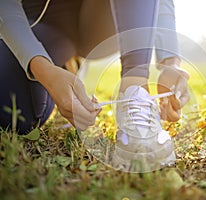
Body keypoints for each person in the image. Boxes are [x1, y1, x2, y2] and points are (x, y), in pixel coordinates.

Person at [0, 0, 189, 169]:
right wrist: (43, 69)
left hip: (104, 17)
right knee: (14, 111)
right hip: (41, 20)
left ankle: (134, 89)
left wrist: (170, 62)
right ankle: (66, 63)